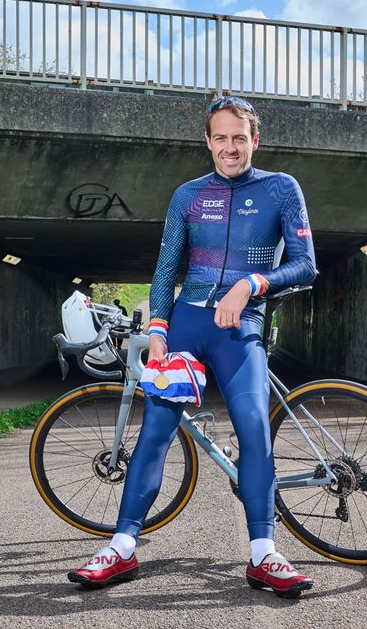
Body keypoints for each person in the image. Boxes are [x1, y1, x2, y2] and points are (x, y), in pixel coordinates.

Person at [68, 96, 318, 598]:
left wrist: (252, 284)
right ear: (207, 141)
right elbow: (166, 270)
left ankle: (263, 555)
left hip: (240, 326)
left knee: (253, 429)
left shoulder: (280, 189)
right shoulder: (187, 195)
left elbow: (306, 265)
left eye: (239, 137)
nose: (230, 147)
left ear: (255, 140)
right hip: (185, 325)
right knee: (155, 429)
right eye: (220, 138)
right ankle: (121, 547)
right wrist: (158, 327)